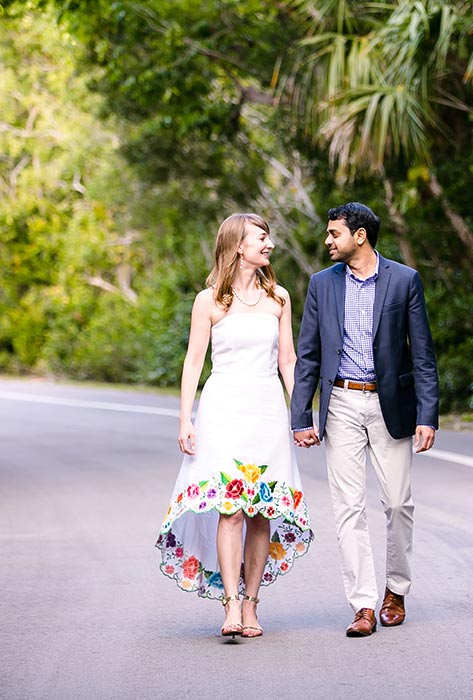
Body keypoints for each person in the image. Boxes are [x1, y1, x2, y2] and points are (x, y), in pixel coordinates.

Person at [156, 212, 313, 639]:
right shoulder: (209, 301)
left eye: (268, 238)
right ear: (237, 246)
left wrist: (301, 414)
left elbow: (287, 361)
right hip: (223, 408)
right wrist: (185, 417)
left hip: (266, 410)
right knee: (230, 509)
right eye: (261, 238)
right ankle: (228, 603)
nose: (270, 245)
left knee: (262, 511)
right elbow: (193, 362)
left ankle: (251, 605)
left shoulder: (278, 297)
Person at [291, 202, 438, 637]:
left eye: (333, 233)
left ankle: (396, 591)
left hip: (390, 405)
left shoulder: (404, 280)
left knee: (397, 502)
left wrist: (427, 414)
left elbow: (423, 354)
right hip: (340, 405)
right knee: (347, 508)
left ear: (359, 236)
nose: (327, 241)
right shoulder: (321, 285)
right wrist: (300, 415)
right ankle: (362, 605)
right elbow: (309, 356)